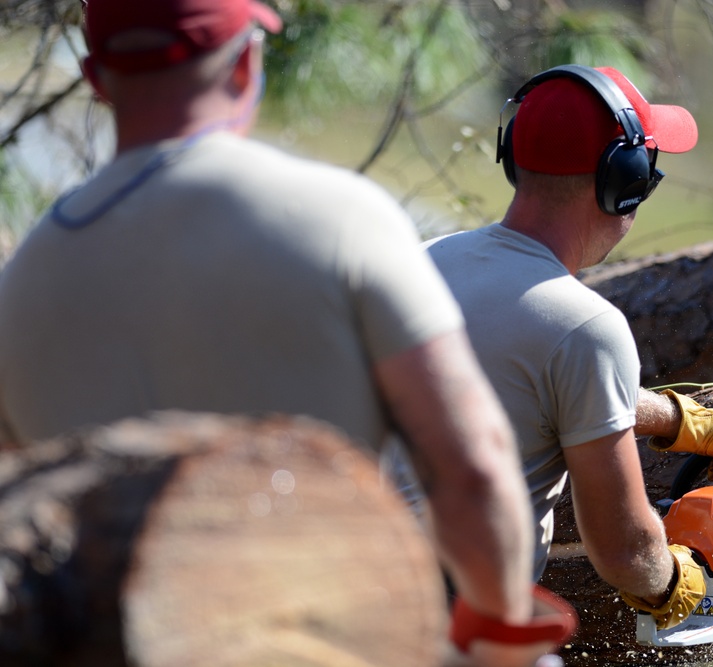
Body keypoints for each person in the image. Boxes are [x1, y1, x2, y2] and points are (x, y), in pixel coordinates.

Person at [0, 1, 576, 664]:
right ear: (246, 62)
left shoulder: (21, 282)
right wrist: (500, 629)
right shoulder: (339, 220)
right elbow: (471, 465)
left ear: (96, 78)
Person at [415, 64, 713, 632]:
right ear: (625, 181)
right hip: (449, 624)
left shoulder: (428, 259)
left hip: (351, 578)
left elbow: (510, 383)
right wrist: (678, 581)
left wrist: (668, 416)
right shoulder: (585, 327)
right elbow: (623, 551)